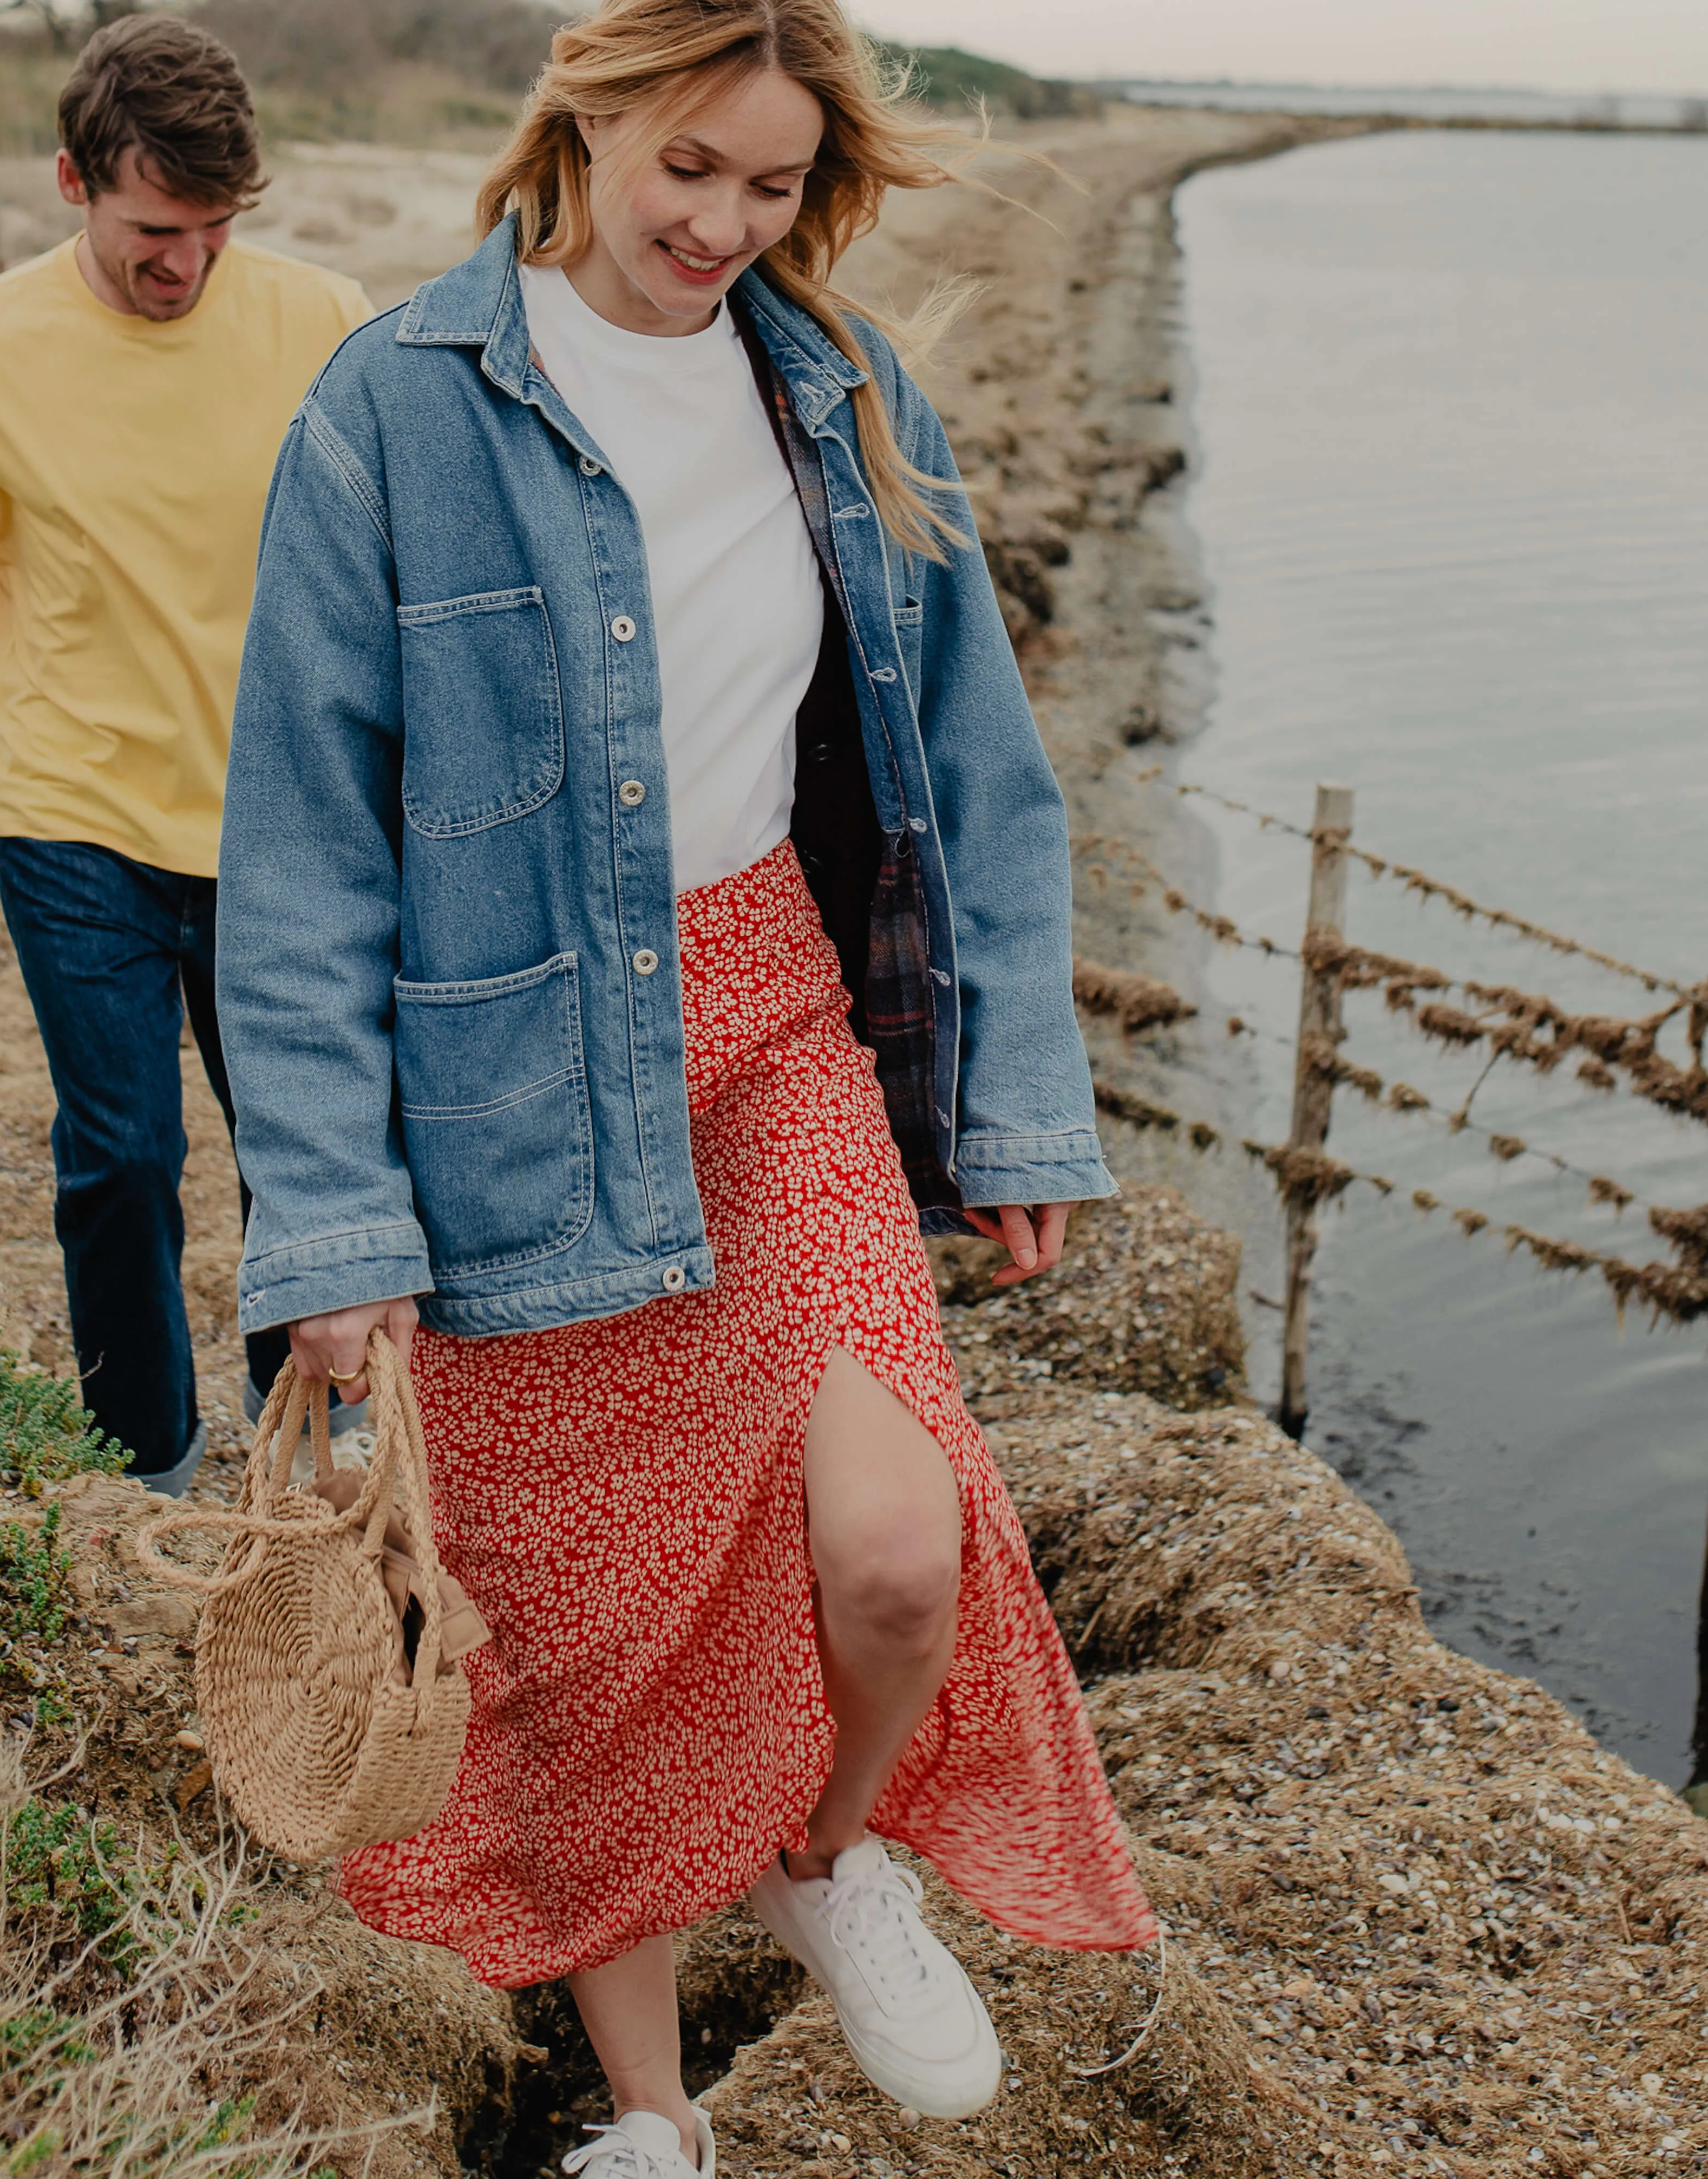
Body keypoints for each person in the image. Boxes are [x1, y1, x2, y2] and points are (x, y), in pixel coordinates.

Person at [215, 0, 1156, 2169]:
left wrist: (1010, 1098)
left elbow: (987, 774)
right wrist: (340, 1232)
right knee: (587, 1633)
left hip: (764, 1024)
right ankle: (651, 2115)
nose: (724, 224)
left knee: (898, 1545)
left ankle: (827, 1857)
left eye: (770, 185)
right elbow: (298, 854)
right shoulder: (393, 409)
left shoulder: (838, 389)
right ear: (590, 118)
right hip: (503, 1092)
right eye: (687, 171)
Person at [0, 14, 369, 1495]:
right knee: (124, 1155)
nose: (184, 264)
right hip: (75, 821)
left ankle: (309, 1441)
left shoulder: (328, 321)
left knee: (303, 1156)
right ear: (71, 178)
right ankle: (145, 1459)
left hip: (285, 824)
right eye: (152, 228)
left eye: (212, 230)